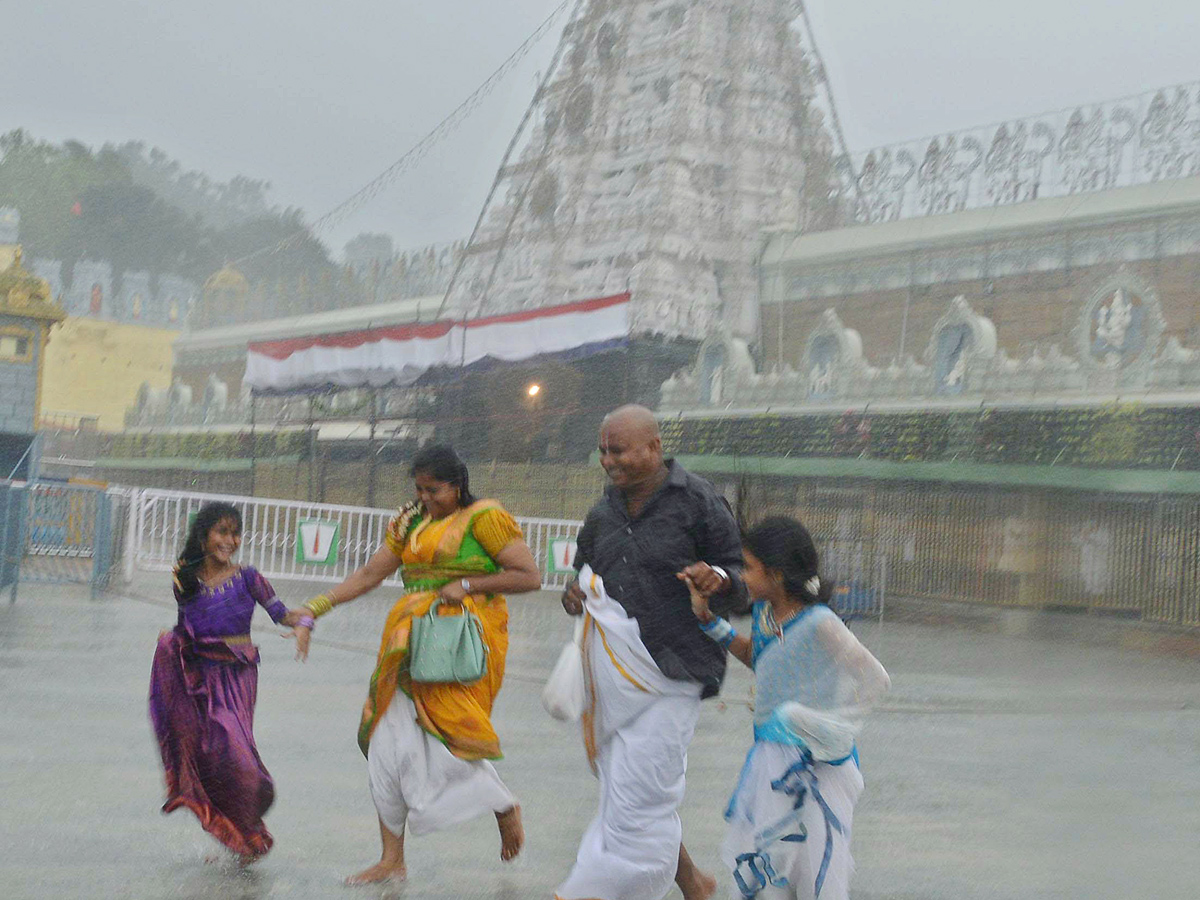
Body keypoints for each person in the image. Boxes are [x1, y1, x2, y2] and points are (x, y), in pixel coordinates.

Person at [294, 445, 542, 885]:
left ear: (457, 484)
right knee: (387, 743)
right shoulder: (410, 521)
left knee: (448, 739)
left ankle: (502, 804)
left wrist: (465, 584)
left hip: (463, 645)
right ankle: (392, 858)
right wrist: (315, 608)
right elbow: (370, 574)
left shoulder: (485, 517)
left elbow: (529, 576)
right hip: (408, 643)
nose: (425, 498)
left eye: (434, 490)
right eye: (419, 489)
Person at [556, 405, 748, 900]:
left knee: (640, 795)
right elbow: (582, 576)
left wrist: (720, 578)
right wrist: (574, 594)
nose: (607, 461)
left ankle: (591, 888)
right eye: (602, 451)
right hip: (615, 677)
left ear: (654, 448)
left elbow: (744, 581)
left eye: (616, 450)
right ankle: (694, 884)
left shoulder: (700, 502)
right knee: (629, 789)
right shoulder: (602, 512)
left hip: (677, 668)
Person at [688, 517, 891, 900]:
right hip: (770, 762)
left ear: (777, 574)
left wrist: (831, 726)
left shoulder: (821, 623)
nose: (742, 576)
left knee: (816, 869)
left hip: (816, 769)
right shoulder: (767, 615)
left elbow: (875, 679)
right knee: (774, 867)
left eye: (748, 567)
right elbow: (759, 658)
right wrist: (708, 621)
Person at [148, 502, 311, 864]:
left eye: (235, 533)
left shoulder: (249, 577)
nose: (230, 540)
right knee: (209, 758)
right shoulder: (184, 577)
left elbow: (284, 614)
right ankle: (239, 838)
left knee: (237, 757)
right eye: (222, 532)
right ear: (204, 535)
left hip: (237, 676)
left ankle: (246, 828)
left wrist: (306, 623)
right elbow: (185, 627)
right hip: (200, 676)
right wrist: (169, 642)